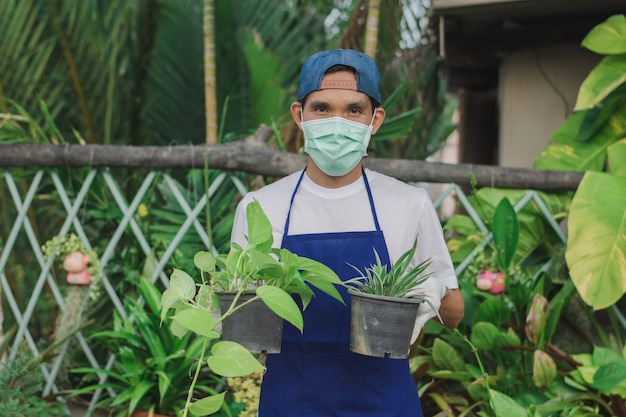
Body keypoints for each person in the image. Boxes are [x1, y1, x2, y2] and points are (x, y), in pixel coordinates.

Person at [230, 49, 464, 417]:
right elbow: (244, 327)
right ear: (299, 115)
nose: (337, 122)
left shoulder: (409, 204)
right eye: (322, 108)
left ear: (375, 120)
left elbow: (454, 314)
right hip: (292, 404)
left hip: (385, 404)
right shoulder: (261, 207)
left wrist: (433, 293)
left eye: (354, 110)